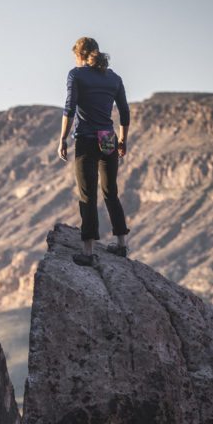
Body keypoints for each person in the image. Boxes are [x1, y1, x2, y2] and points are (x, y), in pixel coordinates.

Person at [57, 37, 131, 266]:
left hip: (87, 139)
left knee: (88, 194)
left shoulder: (76, 75)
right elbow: (125, 112)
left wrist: (62, 139)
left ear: (81, 55)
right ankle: (121, 245)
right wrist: (123, 140)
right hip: (108, 138)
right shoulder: (115, 78)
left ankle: (88, 252)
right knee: (111, 191)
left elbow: (69, 108)